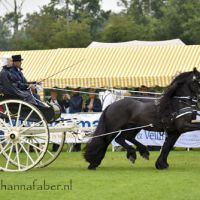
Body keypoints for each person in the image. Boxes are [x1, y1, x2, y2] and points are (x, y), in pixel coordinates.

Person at [69, 87, 83, 151]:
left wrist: (70, 99)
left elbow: (76, 105)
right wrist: (65, 100)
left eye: (75, 90)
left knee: (77, 131)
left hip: (77, 116)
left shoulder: (80, 98)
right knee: (72, 131)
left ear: (78, 91)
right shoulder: (72, 97)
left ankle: (77, 147)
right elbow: (67, 106)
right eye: (73, 90)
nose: (73, 91)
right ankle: (72, 145)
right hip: (71, 116)